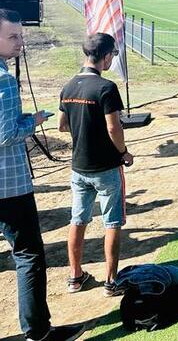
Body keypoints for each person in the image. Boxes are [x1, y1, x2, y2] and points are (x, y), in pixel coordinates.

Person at [0, 9, 85, 341]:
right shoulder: (1, 79)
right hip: (3, 182)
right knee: (28, 254)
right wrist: (34, 121)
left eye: (21, 36)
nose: (20, 43)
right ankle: (38, 331)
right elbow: (5, 135)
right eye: (13, 37)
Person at [58, 33, 133, 297]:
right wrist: (124, 152)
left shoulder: (68, 86)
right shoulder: (106, 88)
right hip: (106, 168)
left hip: (79, 167)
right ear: (106, 56)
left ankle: (75, 277)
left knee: (78, 220)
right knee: (112, 223)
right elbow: (114, 127)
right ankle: (110, 282)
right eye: (113, 54)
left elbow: (62, 124)